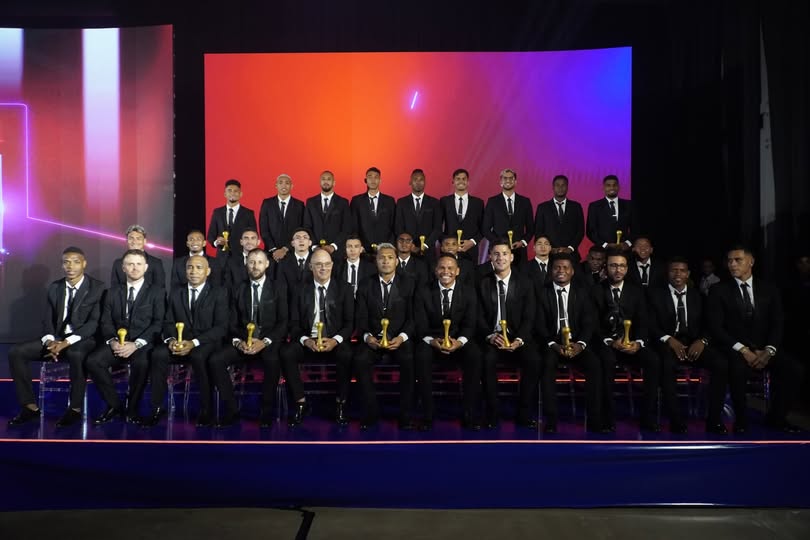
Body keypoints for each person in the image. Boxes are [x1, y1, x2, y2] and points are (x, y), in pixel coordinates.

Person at [707, 245, 803, 433]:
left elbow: (777, 323)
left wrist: (769, 350)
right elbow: (716, 328)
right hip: (734, 348)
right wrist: (743, 350)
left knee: (795, 370)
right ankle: (741, 421)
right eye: (729, 261)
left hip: (764, 348)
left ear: (751, 262)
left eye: (737, 260)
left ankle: (777, 418)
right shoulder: (718, 290)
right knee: (736, 369)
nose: (732, 264)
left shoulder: (770, 289)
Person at [8, 247, 105, 427]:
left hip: (82, 339)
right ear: (62, 265)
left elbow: (94, 323)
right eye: (66, 262)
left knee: (76, 354)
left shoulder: (97, 288)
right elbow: (47, 319)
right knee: (16, 352)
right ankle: (29, 407)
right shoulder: (55, 287)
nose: (70, 266)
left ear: (84, 264)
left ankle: (75, 409)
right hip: (57, 339)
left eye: (76, 262)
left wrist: (66, 343)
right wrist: (50, 341)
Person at [212, 249, 304, 428]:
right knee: (216, 360)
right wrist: (239, 342)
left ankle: (266, 410)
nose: (255, 266)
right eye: (252, 262)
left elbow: (283, 322)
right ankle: (232, 409)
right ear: (246, 264)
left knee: (273, 360)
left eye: (259, 262)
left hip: (268, 341)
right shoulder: (237, 288)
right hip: (243, 341)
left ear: (267, 264)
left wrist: (264, 342)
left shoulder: (278, 287)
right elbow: (231, 322)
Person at [144, 255, 228, 428]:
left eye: (198, 267)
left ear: (208, 271)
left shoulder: (219, 293)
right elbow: (168, 322)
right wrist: (172, 340)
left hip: (205, 343)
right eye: (190, 267)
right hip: (180, 342)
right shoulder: (176, 292)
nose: (193, 271)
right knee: (158, 354)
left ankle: (206, 410)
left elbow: (221, 327)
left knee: (199, 357)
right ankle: (157, 408)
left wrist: (194, 342)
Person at [648, 257, 726, 434]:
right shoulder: (655, 295)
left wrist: (702, 341)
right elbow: (650, 325)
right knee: (666, 365)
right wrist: (669, 339)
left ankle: (714, 420)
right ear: (667, 273)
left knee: (721, 363)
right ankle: (676, 420)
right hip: (667, 343)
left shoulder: (698, 296)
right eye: (674, 270)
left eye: (682, 270)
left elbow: (710, 325)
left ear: (688, 274)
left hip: (694, 343)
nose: (678, 274)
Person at [86, 249, 165, 424]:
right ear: (123, 268)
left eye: (138, 264)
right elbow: (105, 322)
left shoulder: (157, 292)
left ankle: (132, 408)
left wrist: (136, 344)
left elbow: (158, 323)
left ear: (146, 267)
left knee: (142, 363)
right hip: (117, 343)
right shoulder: (112, 292)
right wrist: (112, 341)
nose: (134, 268)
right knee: (93, 361)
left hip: (142, 344)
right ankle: (114, 405)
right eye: (130, 264)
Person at [282, 248, 355, 426]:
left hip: (334, 340)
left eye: (327, 264)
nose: (323, 268)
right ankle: (300, 403)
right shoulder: (299, 289)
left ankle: (341, 403)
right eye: (319, 264)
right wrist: (306, 340)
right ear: (310, 267)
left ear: (332, 265)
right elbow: (293, 323)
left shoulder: (344, 288)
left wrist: (335, 340)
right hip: (309, 340)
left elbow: (350, 323)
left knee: (347, 354)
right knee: (286, 353)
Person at [591, 248, 661, 432]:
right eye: (613, 265)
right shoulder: (596, 291)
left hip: (632, 344)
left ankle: (648, 417)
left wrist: (639, 343)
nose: (618, 270)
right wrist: (610, 341)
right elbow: (592, 325)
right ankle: (607, 418)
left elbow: (643, 322)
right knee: (605, 361)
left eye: (622, 266)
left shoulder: (636, 292)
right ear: (606, 267)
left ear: (627, 268)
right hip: (607, 344)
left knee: (653, 360)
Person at [414, 254, 483, 430]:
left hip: (458, 340)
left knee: (475, 355)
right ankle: (427, 415)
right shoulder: (423, 291)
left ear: (457, 271)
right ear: (436, 270)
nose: (446, 272)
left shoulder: (468, 291)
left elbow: (470, 324)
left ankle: (469, 414)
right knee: (420, 356)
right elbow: (420, 325)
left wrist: (459, 342)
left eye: (450, 268)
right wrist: (432, 341)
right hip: (432, 340)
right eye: (442, 268)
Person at [536, 253, 603, 433]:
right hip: (553, 344)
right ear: (551, 271)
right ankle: (551, 420)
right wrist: (554, 345)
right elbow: (539, 325)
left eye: (565, 267)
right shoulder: (542, 292)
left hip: (577, 343)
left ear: (572, 271)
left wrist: (580, 345)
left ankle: (595, 419)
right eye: (557, 267)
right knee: (546, 364)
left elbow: (589, 323)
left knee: (594, 364)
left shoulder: (583, 292)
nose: (561, 271)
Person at [476, 240, 540, 428]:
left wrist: (519, 340)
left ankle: (524, 414)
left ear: (511, 257)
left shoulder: (525, 282)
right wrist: (490, 336)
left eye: (504, 253)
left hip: (518, 337)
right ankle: (492, 413)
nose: (500, 258)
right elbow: (478, 316)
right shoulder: (482, 282)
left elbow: (530, 316)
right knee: (485, 360)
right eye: (496, 254)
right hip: (492, 337)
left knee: (534, 360)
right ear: (490, 257)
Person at [354, 243, 416, 429]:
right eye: (382, 258)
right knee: (360, 359)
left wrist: (402, 337)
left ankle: (405, 415)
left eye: (390, 257)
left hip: (399, 339)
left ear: (396, 261)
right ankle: (371, 412)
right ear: (376, 261)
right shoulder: (365, 284)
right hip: (373, 339)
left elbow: (413, 318)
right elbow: (360, 317)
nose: (386, 261)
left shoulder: (409, 283)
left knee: (409, 359)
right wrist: (367, 337)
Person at [483, 168, 534, 268]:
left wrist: (522, 242)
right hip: (499, 252)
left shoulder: (525, 202)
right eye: (505, 178)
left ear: (515, 181)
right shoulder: (492, 202)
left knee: (520, 276)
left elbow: (531, 228)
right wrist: (499, 243)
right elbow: (485, 228)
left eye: (511, 178)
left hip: (519, 252)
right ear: (500, 182)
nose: (508, 180)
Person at [394, 168, 442, 262]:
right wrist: (409, 244)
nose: (418, 182)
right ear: (410, 182)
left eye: (421, 179)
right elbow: (398, 226)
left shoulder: (434, 203)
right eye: (415, 179)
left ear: (425, 182)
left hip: (428, 251)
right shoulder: (401, 202)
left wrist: (425, 245)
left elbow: (437, 228)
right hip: (407, 250)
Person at [303, 170, 352, 259]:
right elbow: (307, 226)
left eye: (329, 179)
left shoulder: (343, 203)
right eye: (323, 179)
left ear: (334, 183)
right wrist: (314, 246)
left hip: (336, 252)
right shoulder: (310, 202)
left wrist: (333, 246)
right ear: (320, 182)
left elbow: (346, 228)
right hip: (315, 252)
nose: (326, 181)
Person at [534, 175, 585, 258]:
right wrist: (549, 248)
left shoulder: (576, 207)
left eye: (563, 185)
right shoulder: (543, 207)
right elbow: (538, 231)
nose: (560, 188)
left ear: (567, 187)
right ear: (553, 187)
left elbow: (580, 231)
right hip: (549, 254)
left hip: (571, 254)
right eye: (557, 185)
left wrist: (570, 248)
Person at [441, 168, 484, 263]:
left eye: (464, 179)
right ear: (453, 182)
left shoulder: (478, 203)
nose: (461, 181)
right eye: (458, 179)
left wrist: (472, 242)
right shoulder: (444, 201)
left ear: (468, 182)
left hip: (470, 251)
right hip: (449, 251)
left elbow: (483, 228)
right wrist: (446, 243)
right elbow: (437, 226)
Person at [259, 173, 305, 262]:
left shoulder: (299, 205)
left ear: (292, 186)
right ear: (276, 185)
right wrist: (274, 249)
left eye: (287, 183)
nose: (284, 185)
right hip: (271, 254)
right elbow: (264, 230)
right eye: (280, 183)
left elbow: (301, 230)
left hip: (292, 252)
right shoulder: (267, 203)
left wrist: (285, 249)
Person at [350, 167, 396, 255]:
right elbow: (353, 226)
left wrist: (389, 245)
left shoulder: (390, 201)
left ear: (380, 180)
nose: (373, 180)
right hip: (363, 249)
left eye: (376, 177)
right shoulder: (357, 201)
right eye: (370, 177)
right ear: (365, 180)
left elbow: (393, 225)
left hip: (385, 248)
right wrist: (358, 245)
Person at [207, 179, 257, 257]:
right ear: (225, 194)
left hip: (241, 257)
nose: (232, 193)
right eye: (229, 190)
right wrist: (216, 242)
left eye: (235, 191)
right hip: (222, 258)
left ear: (240, 194)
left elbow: (254, 235)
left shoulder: (248, 213)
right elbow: (211, 235)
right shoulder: (217, 212)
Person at [586, 175, 635, 249]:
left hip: (624, 249)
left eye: (614, 185)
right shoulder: (594, 206)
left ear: (618, 187)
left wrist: (627, 243)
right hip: (603, 251)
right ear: (603, 188)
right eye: (608, 185)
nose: (612, 188)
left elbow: (636, 229)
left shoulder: (629, 205)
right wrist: (605, 245)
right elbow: (590, 231)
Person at [223, 227, 262, 292]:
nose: (249, 241)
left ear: (258, 242)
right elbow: (227, 286)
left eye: (253, 238)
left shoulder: (267, 261)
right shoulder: (231, 262)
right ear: (241, 242)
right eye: (246, 238)